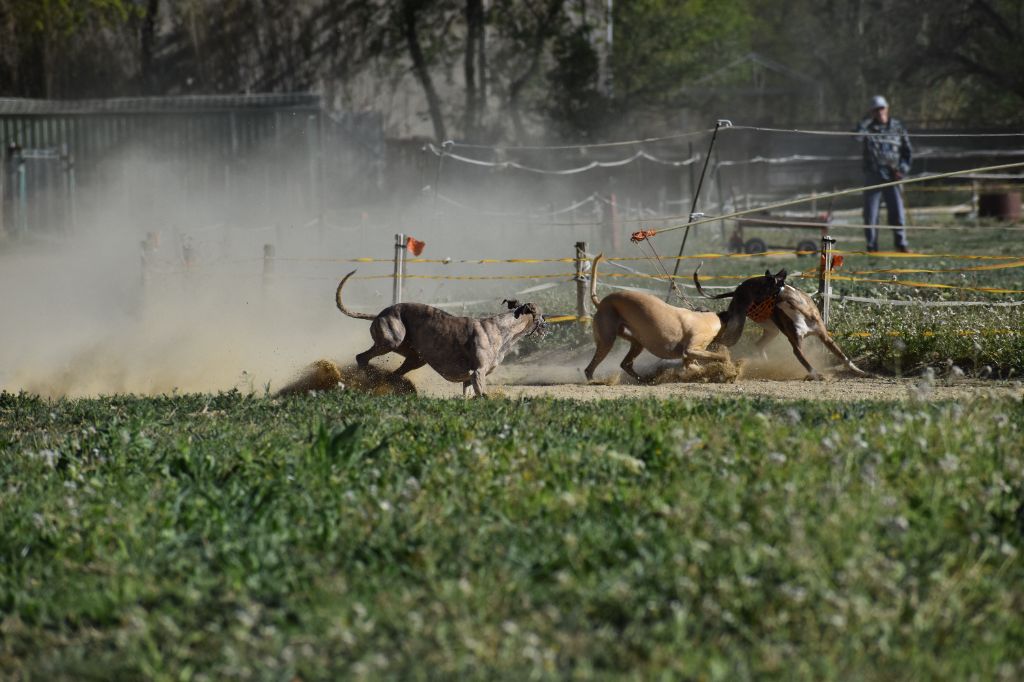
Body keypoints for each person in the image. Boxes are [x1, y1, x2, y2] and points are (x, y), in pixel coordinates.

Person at [856, 95, 912, 252]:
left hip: (893, 175)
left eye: (881, 108)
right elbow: (856, 137)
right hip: (873, 175)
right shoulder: (867, 127)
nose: (879, 112)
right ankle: (872, 246)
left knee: (897, 212)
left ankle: (901, 244)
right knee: (871, 215)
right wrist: (866, 119)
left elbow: (907, 152)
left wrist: (902, 170)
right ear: (871, 112)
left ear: (887, 108)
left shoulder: (898, 127)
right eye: (875, 110)